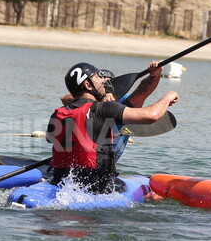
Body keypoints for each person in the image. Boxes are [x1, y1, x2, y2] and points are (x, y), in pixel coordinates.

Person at [47, 62, 178, 193]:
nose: (103, 82)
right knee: (146, 194)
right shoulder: (106, 108)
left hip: (61, 180)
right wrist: (168, 97)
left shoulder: (58, 113)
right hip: (96, 185)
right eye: (98, 77)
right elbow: (151, 116)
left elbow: (50, 138)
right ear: (88, 85)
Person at [60, 63, 164, 161]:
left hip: (103, 162)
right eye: (101, 82)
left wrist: (155, 74)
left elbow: (143, 91)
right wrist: (99, 99)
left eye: (108, 84)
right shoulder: (87, 103)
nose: (104, 86)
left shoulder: (123, 102)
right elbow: (65, 98)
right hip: (81, 159)